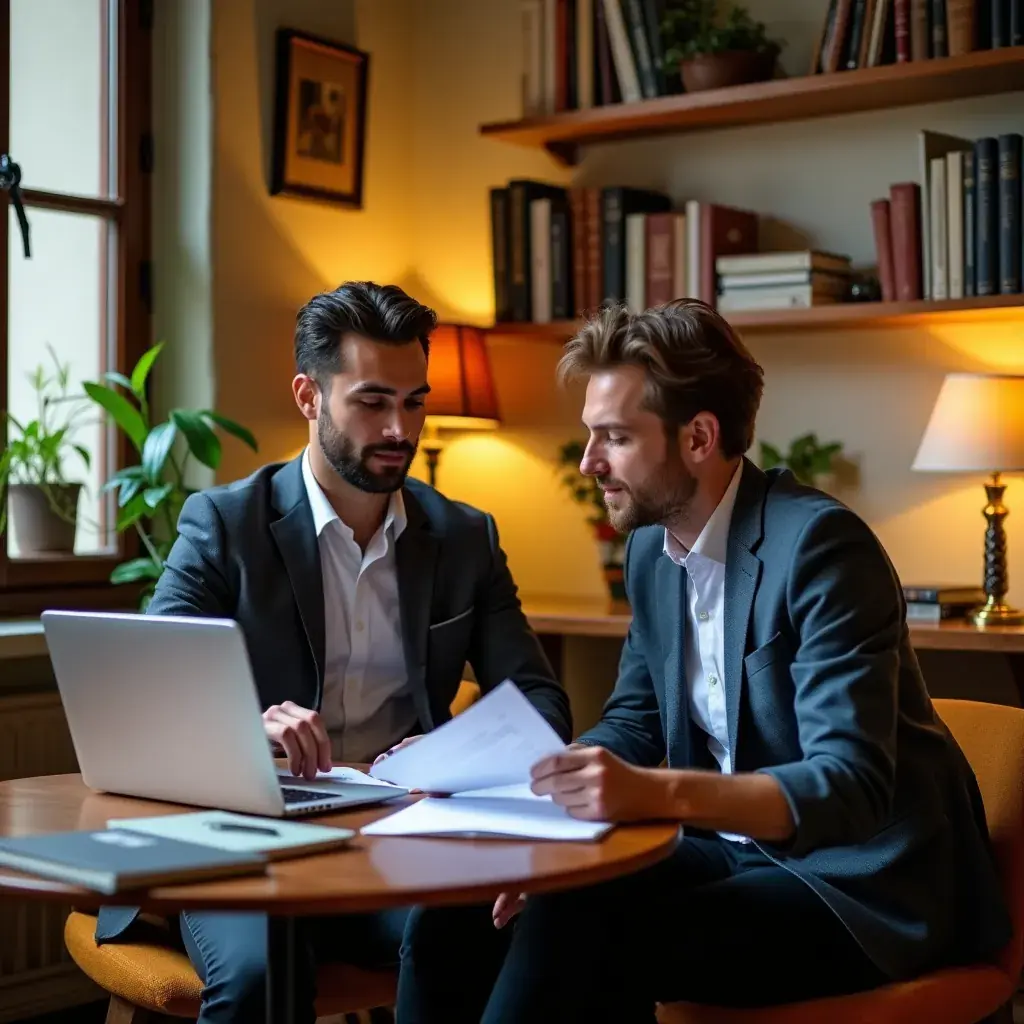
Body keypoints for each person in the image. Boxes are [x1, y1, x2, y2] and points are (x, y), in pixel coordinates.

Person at [395, 299, 1012, 1023]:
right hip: (731, 853)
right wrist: (529, 791)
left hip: (857, 884)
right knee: (462, 905)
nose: (590, 462)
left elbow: (848, 787)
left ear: (698, 437)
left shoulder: (819, 550)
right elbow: (636, 718)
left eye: (615, 438)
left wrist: (650, 794)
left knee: (579, 923)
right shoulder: (653, 551)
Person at [93, 280, 572, 1024]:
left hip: (399, 842)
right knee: (258, 978)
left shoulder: (465, 537)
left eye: (414, 401)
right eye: (372, 402)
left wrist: (452, 756)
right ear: (309, 396)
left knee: (489, 930)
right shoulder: (224, 525)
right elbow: (148, 707)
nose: (399, 428)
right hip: (245, 840)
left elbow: (542, 704)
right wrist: (250, 726)